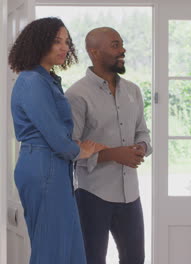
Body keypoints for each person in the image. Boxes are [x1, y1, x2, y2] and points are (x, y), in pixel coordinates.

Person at [8, 17, 106, 264]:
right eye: (56, 41)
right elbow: (54, 135)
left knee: (65, 244)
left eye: (66, 42)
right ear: (39, 43)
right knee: (53, 248)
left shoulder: (45, 79)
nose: (64, 47)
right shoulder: (32, 81)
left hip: (50, 165)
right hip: (45, 165)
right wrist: (81, 151)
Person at [65, 27, 152, 264]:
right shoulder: (76, 95)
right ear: (94, 52)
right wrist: (114, 155)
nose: (122, 49)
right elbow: (70, 150)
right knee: (92, 259)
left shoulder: (133, 91)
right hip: (92, 195)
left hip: (130, 195)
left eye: (122, 44)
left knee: (135, 259)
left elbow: (142, 131)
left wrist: (141, 147)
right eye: (115, 45)